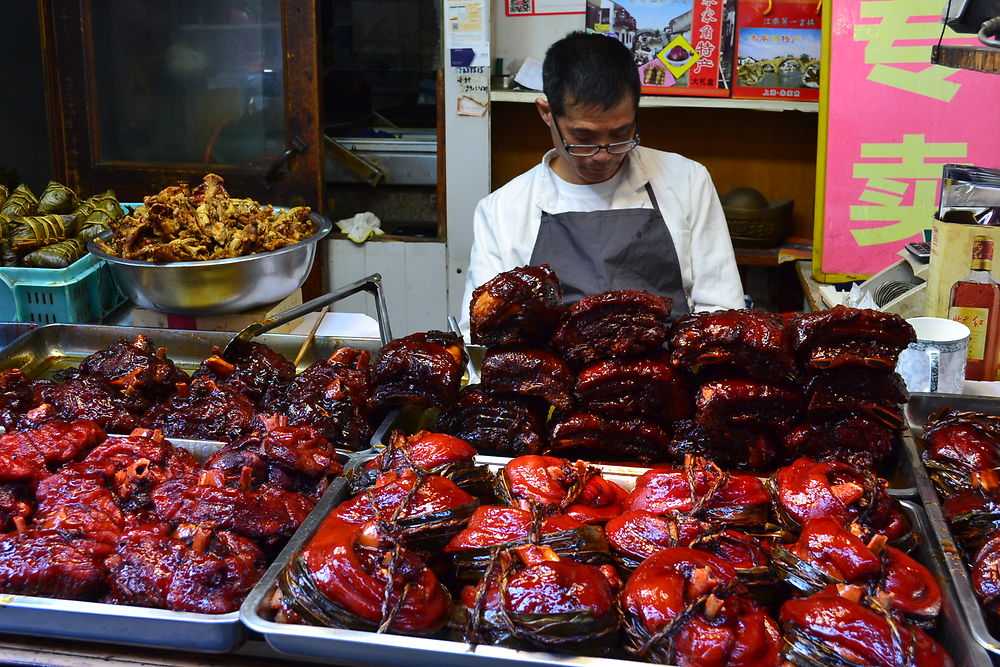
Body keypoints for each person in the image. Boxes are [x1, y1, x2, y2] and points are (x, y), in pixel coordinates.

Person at [459, 31, 744, 334]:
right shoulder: (502, 210)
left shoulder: (687, 180)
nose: (603, 156)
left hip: (668, 374)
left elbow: (722, 312)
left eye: (621, 135)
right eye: (583, 139)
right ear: (546, 113)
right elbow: (480, 332)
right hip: (551, 379)